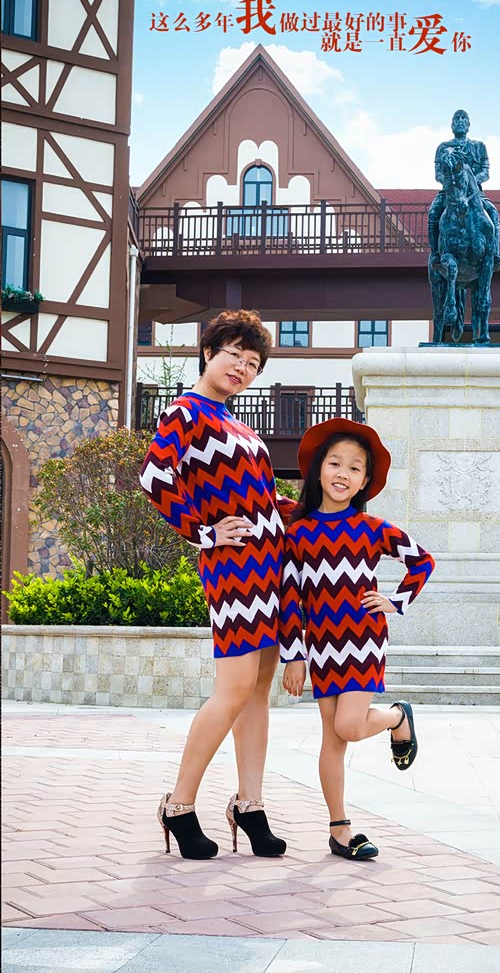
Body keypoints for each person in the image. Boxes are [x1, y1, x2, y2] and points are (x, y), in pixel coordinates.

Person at [139, 310, 295, 860]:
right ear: (209, 352)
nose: (242, 367)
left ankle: (250, 805)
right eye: (234, 355)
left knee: (258, 691)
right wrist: (204, 532)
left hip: (272, 568)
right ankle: (178, 805)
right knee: (233, 689)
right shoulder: (185, 411)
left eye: (252, 363)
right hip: (233, 570)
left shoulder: (240, 426)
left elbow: (262, 500)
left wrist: (311, 512)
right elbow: (153, 476)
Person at [279, 419, 435, 861]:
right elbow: (290, 598)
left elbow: (422, 561)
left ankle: (396, 716)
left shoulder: (372, 527)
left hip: (364, 640)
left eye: (354, 468)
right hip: (321, 645)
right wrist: (294, 656)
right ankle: (339, 829)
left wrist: (395, 601)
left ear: (365, 481)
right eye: (335, 463)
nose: (343, 473)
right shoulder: (297, 533)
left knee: (348, 726)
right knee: (332, 738)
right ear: (318, 469)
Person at [428, 109, 500, 272]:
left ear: (468, 125)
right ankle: (435, 254)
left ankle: (494, 253)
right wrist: (450, 182)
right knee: (433, 213)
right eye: (457, 118)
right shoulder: (443, 148)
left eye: (464, 118)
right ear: (452, 125)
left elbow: (485, 172)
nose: (460, 121)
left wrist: (470, 182)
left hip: (475, 194)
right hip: (449, 193)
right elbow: (438, 173)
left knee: (493, 213)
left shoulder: (479, 146)